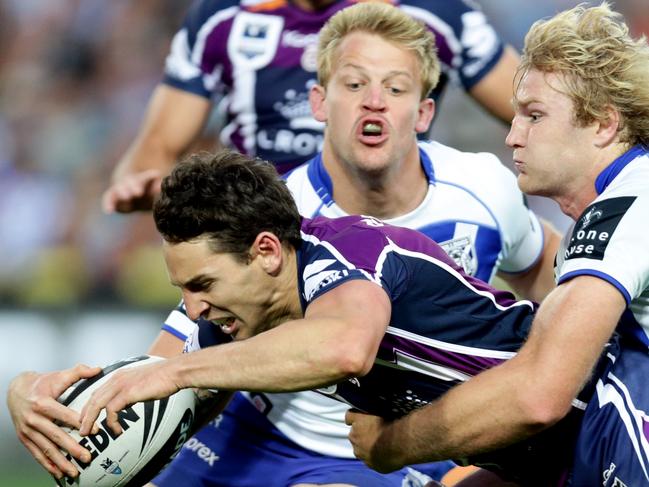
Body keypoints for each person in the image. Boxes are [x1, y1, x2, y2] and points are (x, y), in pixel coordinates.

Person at [7, 4, 559, 486]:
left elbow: (543, 277)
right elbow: (170, 359)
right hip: (260, 428)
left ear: (424, 112)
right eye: (353, 84)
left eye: (394, 88)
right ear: (318, 102)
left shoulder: (485, 188)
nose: (374, 103)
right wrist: (35, 393)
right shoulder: (275, 211)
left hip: (382, 445)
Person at [78, 149, 584, 487]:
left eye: (203, 284)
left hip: (600, 412)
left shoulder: (354, 251)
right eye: (183, 290)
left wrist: (175, 372)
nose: (193, 308)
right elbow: (169, 395)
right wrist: (46, 399)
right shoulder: (246, 313)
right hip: (538, 460)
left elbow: (344, 350)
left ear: (267, 252)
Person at [343, 3, 649, 485]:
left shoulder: (630, 204)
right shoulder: (620, 203)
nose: (512, 136)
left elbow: (539, 396)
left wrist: (393, 444)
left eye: (534, 115)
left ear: (604, 124)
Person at [101, 0, 521, 214]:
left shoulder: (432, 11)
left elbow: (529, 107)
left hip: (383, 225)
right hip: (254, 229)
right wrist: (144, 185)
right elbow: (154, 149)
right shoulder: (222, 16)